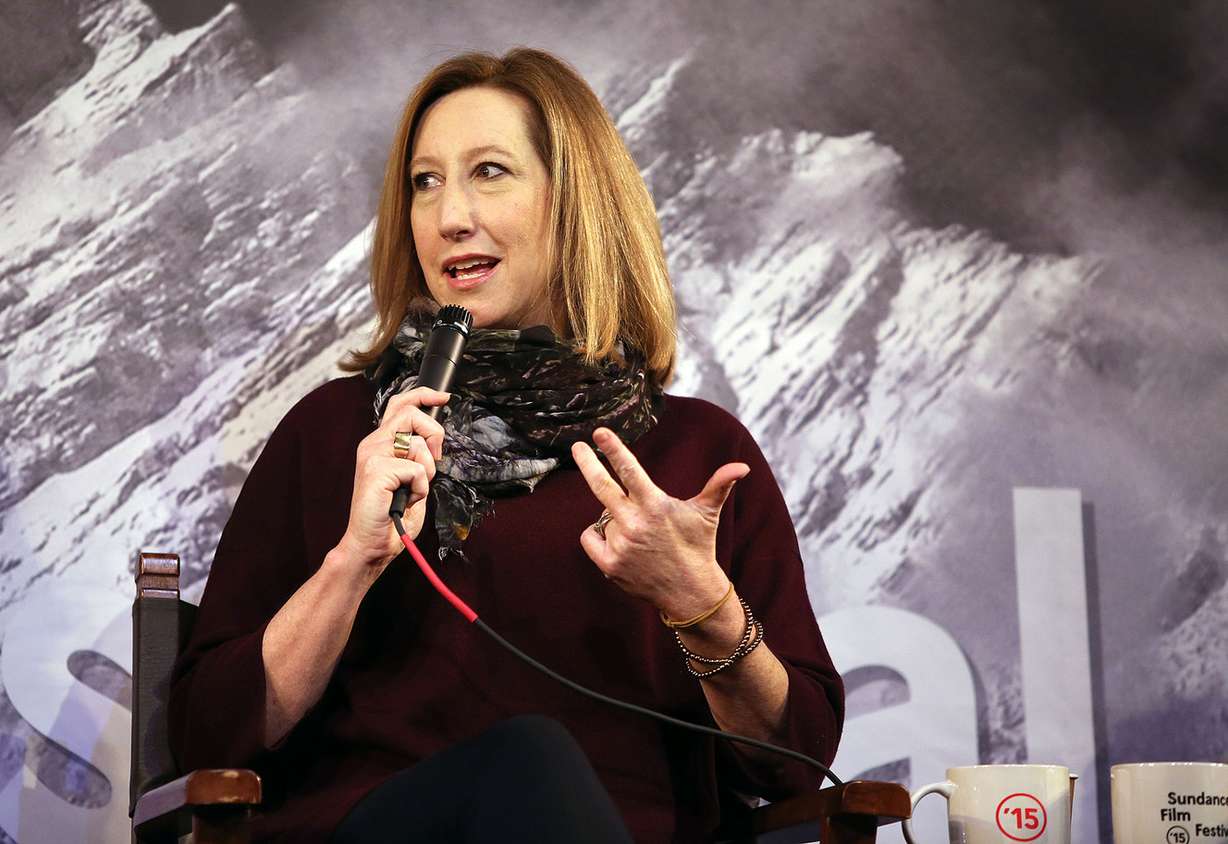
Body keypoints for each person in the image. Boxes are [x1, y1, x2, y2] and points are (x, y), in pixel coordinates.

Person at [169, 48, 844, 843]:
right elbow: (208, 737)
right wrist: (352, 562)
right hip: (384, 827)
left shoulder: (696, 453)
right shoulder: (337, 436)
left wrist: (704, 607)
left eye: (489, 172)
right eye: (425, 182)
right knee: (528, 763)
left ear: (578, 204)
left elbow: (794, 763)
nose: (450, 214)